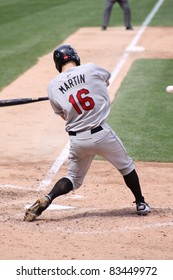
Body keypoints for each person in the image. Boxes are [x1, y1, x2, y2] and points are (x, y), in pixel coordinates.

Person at [24, 44, 150, 222]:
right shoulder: (90, 69)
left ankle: (49, 198)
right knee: (126, 167)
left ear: (57, 64)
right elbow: (105, 81)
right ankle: (141, 203)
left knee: (73, 178)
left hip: (77, 141)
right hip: (102, 135)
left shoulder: (52, 86)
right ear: (75, 57)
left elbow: (63, 115)